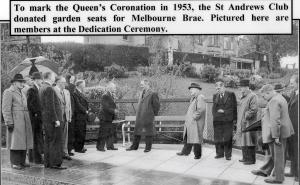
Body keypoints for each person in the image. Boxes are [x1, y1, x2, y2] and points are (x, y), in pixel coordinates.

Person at [253, 84, 294, 184]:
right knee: (277, 154)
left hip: (277, 133)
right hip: (283, 131)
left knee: (278, 155)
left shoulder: (274, 101)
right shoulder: (279, 97)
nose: (263, 98)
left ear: (269, 92)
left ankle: (277, 177)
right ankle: (266, 171)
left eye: (264, 96)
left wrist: (275, 136)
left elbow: (275, 120)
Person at [2, 74, 33, 170]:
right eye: (20, 82)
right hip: (15, 120)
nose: (22, 83)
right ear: (14, 83)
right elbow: (5, 109)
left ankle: (22, 161)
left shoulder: (21, 92)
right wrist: (8, 122)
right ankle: (15, 162)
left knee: (23, 141)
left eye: (23, 82)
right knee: (15, 142)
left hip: (24, 119)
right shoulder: (8, 92)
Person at [39, 72, 66, 169]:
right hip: (52, 120)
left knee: (48, 141)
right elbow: (51, 105)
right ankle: (55, 163)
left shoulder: (42, 87)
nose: (55, 77)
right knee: (55, 141)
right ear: (49, 77)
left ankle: (48, 163)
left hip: (46, 119)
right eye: (53, 76)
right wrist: (56, 119)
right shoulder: (49, 88)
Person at [126, 79, 160, 152]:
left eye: (142, 84)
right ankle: (134, 146)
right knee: (137, 131)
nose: (141, 86)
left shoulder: (153, 93)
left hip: (148, 116)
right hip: (140, 115)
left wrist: (152, 114)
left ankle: (148, 148)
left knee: (148, 132)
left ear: (147, 84)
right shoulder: (141, 92)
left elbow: (156, 106)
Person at [176, 83, 206, 159]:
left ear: (196, 90)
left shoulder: (200, 97)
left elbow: (201, 110)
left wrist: (193, 117)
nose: (190, 91)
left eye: (191, 89)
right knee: (188, 137)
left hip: (195, 123)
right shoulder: (193, 98)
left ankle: (197, 155)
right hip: (191, 123)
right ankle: (185, 152)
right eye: (190, 89)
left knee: (196, 138)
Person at [212, 80, 237, 160]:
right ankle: (219, 154)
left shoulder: (231, 94)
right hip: (217, 120)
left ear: (223, 87)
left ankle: (228, 155)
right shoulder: (215, 95)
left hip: (228, 120)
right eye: (216, 88)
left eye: (219, 88)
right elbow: (214, 108)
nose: (218, 90)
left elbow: (234, 108)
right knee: (217, 137)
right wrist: (215, 116)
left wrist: (234, 118)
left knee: (228, 137)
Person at [236, 80, 259, 165]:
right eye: (240, 87)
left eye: (241, 87)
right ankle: (245, 157)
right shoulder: (243, 96)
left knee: (250, 141)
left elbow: (254, 109)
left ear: (246, 87)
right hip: (242, 122)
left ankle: (251, 160)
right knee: (243, 140)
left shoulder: (253, 96)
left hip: (249, 123)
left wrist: (245, 116)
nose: (240, 88)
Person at [54, 76, 73, 160]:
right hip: (58, 117)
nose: (65, 84)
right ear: (58, 82)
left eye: (65, 82)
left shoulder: (67, 92)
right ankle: (57, 153)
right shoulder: (53, 90)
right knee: (58, 136)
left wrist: (69, 115)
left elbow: (69, 105)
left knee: (65, 136)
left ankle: (65, 152)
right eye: (63, 82)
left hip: (66, 117)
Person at [27, 72, 44, 164]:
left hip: (38, 117)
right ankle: (35, 159)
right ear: (37, 80)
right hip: (34, 118)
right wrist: (37, 113)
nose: (42, 81)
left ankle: (36, 158)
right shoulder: (31, 90)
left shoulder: (38, 89)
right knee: (35, 138)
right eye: (40, 79)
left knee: (38, 138)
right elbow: (30, 104)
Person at [96, 82, 119, 151]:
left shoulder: (111, 95)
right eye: (114, 87)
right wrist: (113, 111)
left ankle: (110, 146)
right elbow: (105, 106)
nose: (115, 89)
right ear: (109, 88)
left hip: (109, 117)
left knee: (110, 132)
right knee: (103, 132)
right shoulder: (105, 95)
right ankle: (100, 147)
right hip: (104, 117)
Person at [285, 74, 299, 182]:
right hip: (291, 127)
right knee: (292, 150)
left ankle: (298, 174)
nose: (290, 85)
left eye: (292, 83)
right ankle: (293, 171)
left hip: (297, 128)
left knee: (297, 151)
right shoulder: (294, 93)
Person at [73, 80, 89, 153]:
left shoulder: (81, 93)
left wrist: (87, 109)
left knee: (82, 131)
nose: (85, 86)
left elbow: (85, 102)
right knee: (79, 132)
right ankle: (78, 148)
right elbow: (78, 104)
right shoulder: (75, 93)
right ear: (80, 85)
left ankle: (81, 147)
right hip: (79, 116)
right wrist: (85, 110)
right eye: (84, 84)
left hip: (83, 116)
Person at [65, 74, 76, 156]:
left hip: (69, 112)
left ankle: (69, 149)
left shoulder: (66, 86)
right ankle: (69, 149)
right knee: (70, 132)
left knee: (69, 132)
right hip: (70, 113)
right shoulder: (71, 86)